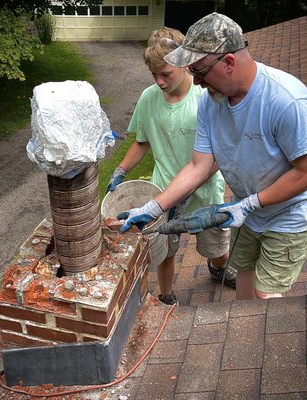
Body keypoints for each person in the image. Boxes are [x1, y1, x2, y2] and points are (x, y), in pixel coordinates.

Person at [117, 13, 307, 300]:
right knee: (244, 291)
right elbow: (200, 165)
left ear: (229, 63)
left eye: (199, 71)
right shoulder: (212, 103)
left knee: (264, 299)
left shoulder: (286, 101)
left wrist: (250, 203)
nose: (196, 82)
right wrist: (154, 206)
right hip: (247, 214)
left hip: (286, 216)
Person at [106, 26, 234, 305]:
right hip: (163, 193)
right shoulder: (148, 99)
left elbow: (218, 154)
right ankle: (166, 295)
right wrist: (120, 170)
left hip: (205, 192)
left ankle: (219, 266)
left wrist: (189, 187)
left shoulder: (206, 99)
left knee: (215, 244)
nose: (159, 82)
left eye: (166, 74)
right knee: (165, 250)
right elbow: (142, 142)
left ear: (185, 65)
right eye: (154, 75)